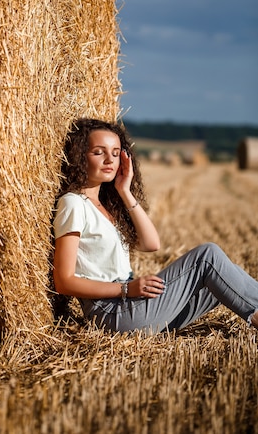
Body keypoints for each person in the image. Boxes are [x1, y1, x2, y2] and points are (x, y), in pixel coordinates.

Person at [53, 118, 258, 334]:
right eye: (98, 152)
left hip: (130, 306)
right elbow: (64, 281)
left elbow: (151, 243)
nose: (109, 160)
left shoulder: (106, 206)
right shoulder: (73, 203)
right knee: (208, 256)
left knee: (225, 276)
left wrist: (125, 190)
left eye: (115, 153)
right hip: (112, 312)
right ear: (79, 157)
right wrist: (125, 289)